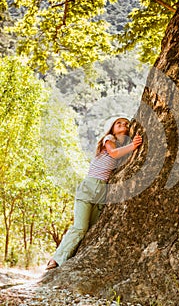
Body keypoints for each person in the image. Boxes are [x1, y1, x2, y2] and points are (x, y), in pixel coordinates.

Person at [46, 116, 142, 270]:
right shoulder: (109, 139)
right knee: (80, 227)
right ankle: (56, 259)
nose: (123, 125)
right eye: (119, 123)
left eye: (126, 124)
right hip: (89, 187)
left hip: (102, 191)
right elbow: (113, 153)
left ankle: (72, 258)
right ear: (112, 128)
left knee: (91, 229)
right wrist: (133, 146)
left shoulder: (123, 148)